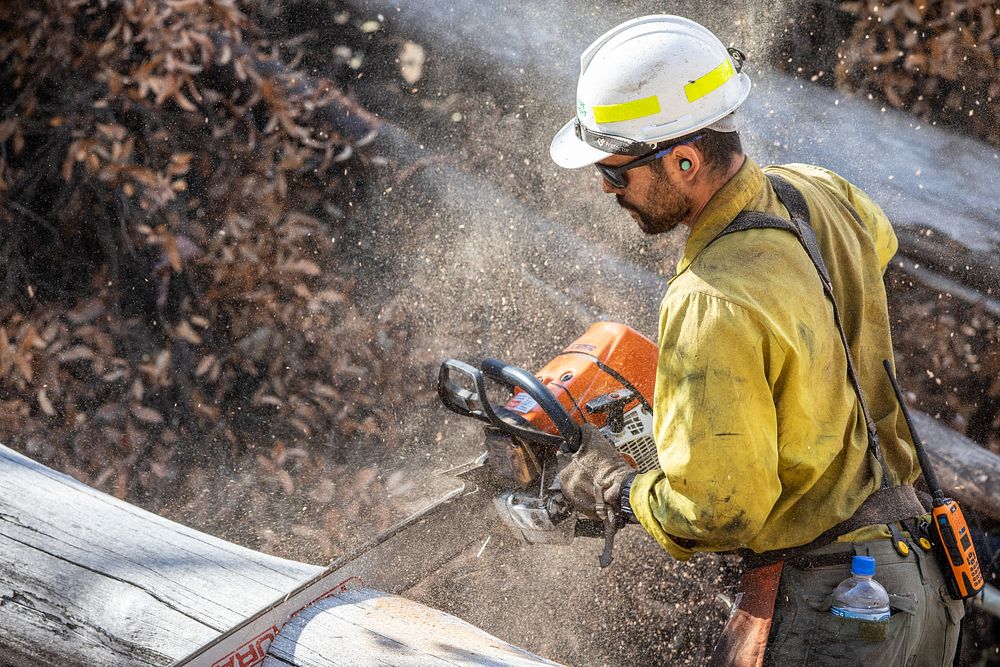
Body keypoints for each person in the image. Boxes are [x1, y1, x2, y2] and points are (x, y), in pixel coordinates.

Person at [551, 15, 965, 665]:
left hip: (836, 609)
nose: (608, 189)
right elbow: (876, 240)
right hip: (921, 586)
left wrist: (621, 488)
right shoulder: (820, 194)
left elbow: (720, 509)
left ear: (684, 160)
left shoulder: (709, 298)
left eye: (616, 172)